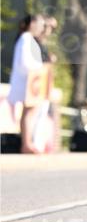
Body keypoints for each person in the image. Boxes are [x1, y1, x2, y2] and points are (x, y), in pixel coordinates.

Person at [7, 14, 46, 153]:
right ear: (32, 24)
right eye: (40, 25)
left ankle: (27, 142)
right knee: (29, 113)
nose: (42, 28)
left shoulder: (27, 39)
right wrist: (40, 68)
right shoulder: (26, 39)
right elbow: (25, 62)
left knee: (28, 113)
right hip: (27, 83)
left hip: (29, 83)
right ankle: (26, 143)